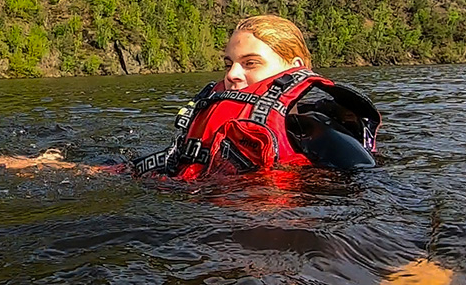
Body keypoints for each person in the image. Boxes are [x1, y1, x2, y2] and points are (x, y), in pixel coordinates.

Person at [132, 14, 380, 181]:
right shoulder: (212, 120)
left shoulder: (318, 133)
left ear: (295, 69)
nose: (232, 74)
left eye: (250, 63)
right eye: (229, 64)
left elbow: (366, 186)